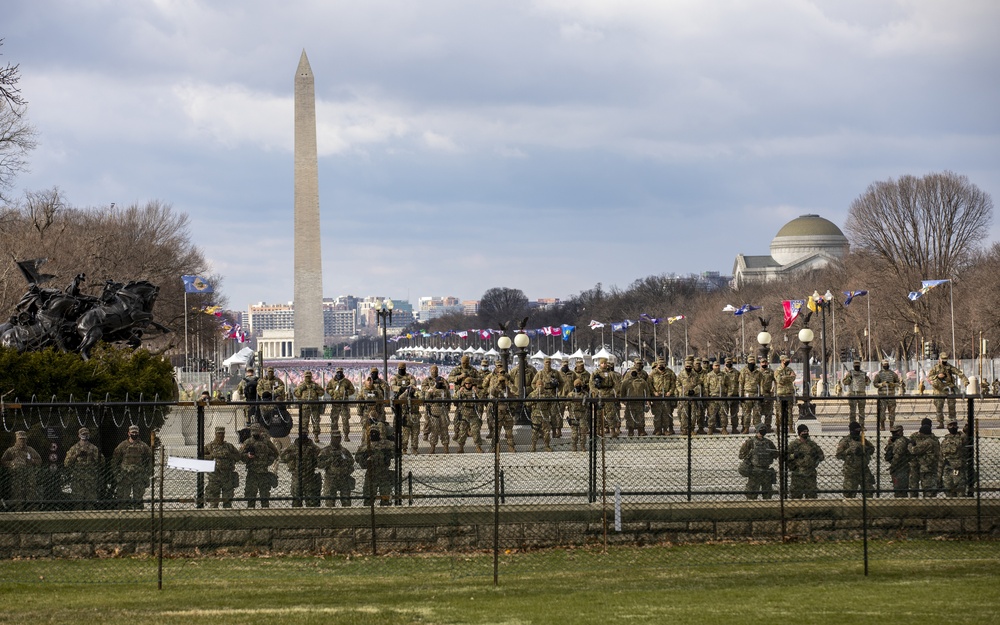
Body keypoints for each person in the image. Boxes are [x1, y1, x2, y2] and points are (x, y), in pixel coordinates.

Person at [112, 425, 152, 509]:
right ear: (129, 433)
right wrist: (117, 474)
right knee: (123, 498)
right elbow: (115, 460)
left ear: (138, 433)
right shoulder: (122, 446)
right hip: (125, 475)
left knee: (138, 499)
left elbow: (150, 459)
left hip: (138, 475)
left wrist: (147, 473)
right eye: (132, 432)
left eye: (136, 432)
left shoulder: (143, 446)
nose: (134, 434)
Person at [63, 427, 103, 509]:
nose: (85, 436)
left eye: (86, 434)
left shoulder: (94, 448)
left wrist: (92, 454)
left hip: (90, 479)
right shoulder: (74, 448)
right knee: (78, 504)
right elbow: (66, 463)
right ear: (79, 435)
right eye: (83, 434)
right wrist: (76, 455)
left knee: (90, 504)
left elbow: (102, 462)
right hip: (78, 480)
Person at [241, 423, 279, 508]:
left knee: (265, 497)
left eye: (256, 431)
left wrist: (269, 461)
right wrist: (247, 456)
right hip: (252, 473)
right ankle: (250, 516)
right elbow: (240, 456)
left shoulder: (266, 441)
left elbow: (276, 453)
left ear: (260, 431)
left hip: (264, 473)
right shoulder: (248, 442)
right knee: (251, 497)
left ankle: (265, 516)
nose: (255, 433)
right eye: (253, 431)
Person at [1, 431, 42, 511]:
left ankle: (32, 514)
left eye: (23, 439)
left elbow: (39, 460)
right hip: (17, 478)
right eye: (20, 439)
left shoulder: (30, 450)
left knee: (31, 496)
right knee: (17, 497)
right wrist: (12, 464)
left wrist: (32, 461)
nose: (22, 441)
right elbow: (3, 461)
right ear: (16, 439)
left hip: (29, 478)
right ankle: (18, 514)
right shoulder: (11, 450)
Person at [280, 432, 321, 507]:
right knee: (296, 503)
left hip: (310, 478)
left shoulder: (313, 448)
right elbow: (282, 458)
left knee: (312, 504)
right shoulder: (293, 447)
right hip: (297, 478)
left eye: (305, 434)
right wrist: (293, 455)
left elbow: (320, 461)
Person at [835, 422, 875, 498]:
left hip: (864, 469)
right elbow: (839, 455)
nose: (858, 432)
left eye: (859, 430)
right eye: (856, 430)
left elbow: (872, 449)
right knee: (849, 493)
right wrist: (849, 451)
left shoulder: (862, 439)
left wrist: (864, 449)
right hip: (851, 471)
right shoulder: (845, 441)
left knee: (868, 491)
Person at [927, 353, 968, 428]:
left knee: (951, 406)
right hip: (939, 390)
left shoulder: (949, 367)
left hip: (949, 388)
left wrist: (965, 381)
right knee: (939, 407)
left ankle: (952, 422)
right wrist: (937, 376)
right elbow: (929, 377)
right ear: (940, 359)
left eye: (946, 359)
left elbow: (959, 373)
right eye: (943, 359)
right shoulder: (935, 368)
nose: (944, 361)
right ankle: (940, 423)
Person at [203, 426, 240, 508]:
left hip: (227, 477)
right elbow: (200, 456)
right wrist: (210, 456)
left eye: (222, 434)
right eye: (219, 433)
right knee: (214, 502)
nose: (220, 436)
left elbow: (238, 457)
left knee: (227, 502)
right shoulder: (210, 446)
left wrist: (230, 456)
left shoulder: (229, 446)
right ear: (215, 434)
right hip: (214, 477)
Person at [738, 424, 777, 500]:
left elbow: (775, 454)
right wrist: (750, 454)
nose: (762, 432)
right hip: (755, 471)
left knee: (767, 495)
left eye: (764, 430)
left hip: (766, 471)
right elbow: (741, 455)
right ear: (757, 431)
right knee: (751, 495)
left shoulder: (768, 442)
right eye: (761, 430)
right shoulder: (750, 442)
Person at [356, 428, 393, 506]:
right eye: (371, 433)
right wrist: (366, 458)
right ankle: (368, 516)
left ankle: (385, 516)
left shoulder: (386, 444)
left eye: (375, 433)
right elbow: (357, 458)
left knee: (386, 498)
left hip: (384, 475)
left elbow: (395, 453)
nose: (373, 435)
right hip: (371, 474)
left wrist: (386, 454)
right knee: (368, 499)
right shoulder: (365, 445)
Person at [317, 431, 355, 507]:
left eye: (339, 437)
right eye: (335, 438)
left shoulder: (344, 451)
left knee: (346, 503)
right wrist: (330, 460)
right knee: (330, 503)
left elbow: (351, 461)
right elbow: (319, 465)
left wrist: (344, 460)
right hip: (331, 480)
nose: (338, 439)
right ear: (331, 438)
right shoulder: (325, 451)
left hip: (343, 479)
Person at [787, 423, 824, 499]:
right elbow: (785, 456)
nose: (805, 433)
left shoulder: (812, 444)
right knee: (796, 496)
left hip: (810, 473)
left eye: (807, 431)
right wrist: (794, 455)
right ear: (799, 433)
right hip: (797, 474)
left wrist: (815, 458)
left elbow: (821, 456)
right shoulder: (794, 444)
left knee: (811, 496)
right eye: (803, 431)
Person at [391, 363, 420, 455]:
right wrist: (402, 389)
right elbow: (393, 387)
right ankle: (399, 447)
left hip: (409, 400)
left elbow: (413, 384)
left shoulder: (409, 376)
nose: (401, 370)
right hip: (400, 403)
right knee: (398, 429)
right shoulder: (395, 377)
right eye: (400, 368)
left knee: (410, 431)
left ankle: (412, 448)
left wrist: (408, 389)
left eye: (402, 368)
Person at [485, 367, 516, 452]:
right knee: (496, 433)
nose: (502, 383)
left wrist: (508, 384)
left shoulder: (508, 389)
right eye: (500, 381)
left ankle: (511, 447)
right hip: (498, 413)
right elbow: (491, 392)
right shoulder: (495, 389)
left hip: (507, 412)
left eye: (503, 381)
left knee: (509, 432)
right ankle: (495, 448)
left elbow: (515, 392)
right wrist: (497, 383)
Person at [590, 358, 621, 437]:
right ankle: (598, 430)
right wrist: (596, 392)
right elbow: (591, 384)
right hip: (599, 395)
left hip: (609, 395)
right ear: (599, 364)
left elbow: (617, 384)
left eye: (605, 363)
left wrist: (613, 392)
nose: (603, 364)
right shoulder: (595, 373)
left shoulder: (611, 373)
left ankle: (612, 430)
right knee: (598, 414)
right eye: (602, 363)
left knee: (611, 413)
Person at [619, 362, 651, 436]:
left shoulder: (642, 382)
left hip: (640, 402)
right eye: (632, 371)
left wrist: (648, 401)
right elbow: (622, 392)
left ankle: (641, 430)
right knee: (629, 417)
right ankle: (630, 431)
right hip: (630, 403)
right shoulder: (626, 382)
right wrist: (623, 401)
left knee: (640, 416)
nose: (634, 373)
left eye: (635, 372)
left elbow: (647, 391)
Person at [423, 373, 452, 454]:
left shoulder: (445, 390)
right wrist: (429, 392)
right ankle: (432, 447)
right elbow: (426, 400)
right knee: (434, 431)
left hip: (443, 412)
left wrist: (447, 409)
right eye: (438, 383)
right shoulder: (432, 390)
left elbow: (449, 400)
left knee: (444, 430)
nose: (440, 384)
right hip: (434, 413)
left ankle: (446, 448)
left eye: (441, 383)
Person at [453, 378, 484, 453]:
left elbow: (482, 399)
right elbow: (454, 400)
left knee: (475, 431)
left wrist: (477, 392)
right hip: (464, 414)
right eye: (466, 383)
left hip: (474, 413)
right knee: (462, 431)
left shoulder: (476, 390)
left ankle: (478, 447)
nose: (468, 385)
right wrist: (459, 393)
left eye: (469, 383)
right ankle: (461, 447)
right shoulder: (461, 391)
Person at [293, 371, 325, 442]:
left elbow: (322, 393)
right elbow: (296, 394)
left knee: (316, 422)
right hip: (305, 407)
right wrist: (301, 389)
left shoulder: (315, 385)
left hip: (314, 407)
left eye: (309, 376)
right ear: (304, 377)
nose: (308, 378)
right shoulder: (301, 385)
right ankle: (304, 437)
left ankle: (316, 436)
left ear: (311, 377)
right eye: (306, 377)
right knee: (304, 423)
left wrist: (316, 388)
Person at [939, 420, 968, 498]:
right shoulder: (945, 440)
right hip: (948, 468)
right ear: (947, 427)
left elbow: (965, 440)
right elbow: (941, 457)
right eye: (950, 425)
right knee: (948, 490)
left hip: (958, 467)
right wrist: (939, 475)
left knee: (960, 490)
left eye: (954, 425)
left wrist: (966, 431)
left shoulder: (961, 437)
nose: (953, 427)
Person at [536, 358, 565, 437]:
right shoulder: (540, 373)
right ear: (543, 363)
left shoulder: (555, 373)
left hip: (552, 395)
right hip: (543, 396)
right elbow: (533, 383)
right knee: (543, 414)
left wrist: (558, 389)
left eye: (549, 362)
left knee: (553, 414)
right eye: (546, 362)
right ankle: (542, 432)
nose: (548, 364)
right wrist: (539, 390)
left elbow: (562, 382)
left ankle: (554, 432)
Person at [324, 368, 355, 442]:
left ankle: (346, 435)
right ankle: (334, 435)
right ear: (336, 373)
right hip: (335, 404)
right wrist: (332, 392)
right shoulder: (332, 381)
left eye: (340, 372)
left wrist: (346, 392)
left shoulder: (346, 381)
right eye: (338, 372)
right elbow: (327, 389)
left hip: (344, 404)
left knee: (345, 420)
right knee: (334, 420)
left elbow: (352, 390)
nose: (339, 374)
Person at [650, 358, 678, 435]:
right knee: (657, 414)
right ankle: (658, 429)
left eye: (662, 365)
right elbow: (649, 384)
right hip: (657, 397)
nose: (661, 366)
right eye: (659, 365)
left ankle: (666, 429)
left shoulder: (669, 373)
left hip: (667, 396)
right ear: (657, 365)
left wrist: (670, 392)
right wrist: (654, 392)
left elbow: (673, 384)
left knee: (666, 414)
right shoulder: (653, 373)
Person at [421, 365, 449, 441]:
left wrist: (442, 384)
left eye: (436, 371)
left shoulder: (442, 379)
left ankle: (440, 434)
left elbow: (447, 388)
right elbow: (423, 388)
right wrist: (431, 388)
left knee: (441, 421)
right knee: (428, 420)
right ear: (430, 371)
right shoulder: (427, 380)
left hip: (440, 403)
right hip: (430, 402)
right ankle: (426, 434)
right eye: (433, 371)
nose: (434, 372)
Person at [872, 360, 901, 430]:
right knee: (881, 411)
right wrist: (881, 384)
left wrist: (892, 384)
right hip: (882, 396)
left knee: (892, 411)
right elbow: (875, 384)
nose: (886, 366)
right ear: (882, 365)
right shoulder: (879, 374)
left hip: (891, 396)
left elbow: (898, 383)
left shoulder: (893, 374)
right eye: (884, 365)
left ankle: (891, 426)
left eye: (887, 364)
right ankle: (882, 426)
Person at [738, 355, 763, 433]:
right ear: (748, 362)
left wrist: (761, 394)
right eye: (750, 362)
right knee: (746, 413)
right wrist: (741, 396)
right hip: (747, 394)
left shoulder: (758, 372)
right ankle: (746, 428)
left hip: (756, 395)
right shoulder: (743, 371)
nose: (752, 364)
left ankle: (757, 428)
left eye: (753, 362)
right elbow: (741, 384)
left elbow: (761, 384)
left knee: (757, 413)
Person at [884, 425, 911, 498]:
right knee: (897, 489)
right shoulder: (895, 440)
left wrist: (892, 467)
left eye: (895, 432)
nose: (893, 434)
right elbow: (887, 451)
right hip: (897, 469)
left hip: (901, 468)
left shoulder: (901, 441)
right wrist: (890, 443)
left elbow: (897, 456)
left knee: (900, 489)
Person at [841, 360, 870, 424]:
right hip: (852, 394)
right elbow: (844, 382)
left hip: (861, 394)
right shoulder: (850, 373)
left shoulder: (863, 373)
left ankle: (861, 424)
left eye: (858, 366)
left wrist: (866, 379)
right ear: (854, 366)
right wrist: (849, 378)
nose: (857, 367)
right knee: (852, 411)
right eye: (856, 366)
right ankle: (853, 424)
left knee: (862, 411)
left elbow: (868, 383)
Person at [527, 384, 554, 452]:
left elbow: (553, 402)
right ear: (536, 386)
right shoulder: (532, 394)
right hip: (536, 415)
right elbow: (526, 403)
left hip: (545, 415)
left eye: (541, 385)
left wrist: (549, 409)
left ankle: (547, 446)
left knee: (547, 431)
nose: (540, 386)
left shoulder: (548, 394)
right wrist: (534, 400)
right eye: (538, 385)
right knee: (535, 431)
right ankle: (533, 447)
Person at [773, 355, 796, 434]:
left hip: (789, 393)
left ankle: (790, 427)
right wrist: (788, 377)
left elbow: (793, 378)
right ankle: (779, 428)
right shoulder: (777, 370)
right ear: (782, 360)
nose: (787, 361)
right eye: (786, 360)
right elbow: (779, 380)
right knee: (779, 412)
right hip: (781, 394)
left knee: (789, 411)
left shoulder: (790, 369)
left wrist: (784, 377)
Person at [567, 379, 589, 452]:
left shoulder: (585, 394)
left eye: (579, 384)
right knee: (574, 433)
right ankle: (574, 446)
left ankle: (583, 446)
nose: (578, 386)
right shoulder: (571, 394)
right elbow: (566, 403)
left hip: (582, 415)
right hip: (573, 415)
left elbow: (587, 405)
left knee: (583, 432)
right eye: (576, 385)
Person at [721, 357, 741, 435]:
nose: (729, 364)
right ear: (725, 363)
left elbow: (739, 383)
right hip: (725, 396)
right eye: (727, 362)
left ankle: (734, 428)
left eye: (730, 362)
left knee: (734, 413)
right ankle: (724, 428)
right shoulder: (722, 372)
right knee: (724, 413)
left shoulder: (736, 372)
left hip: (734, 395)